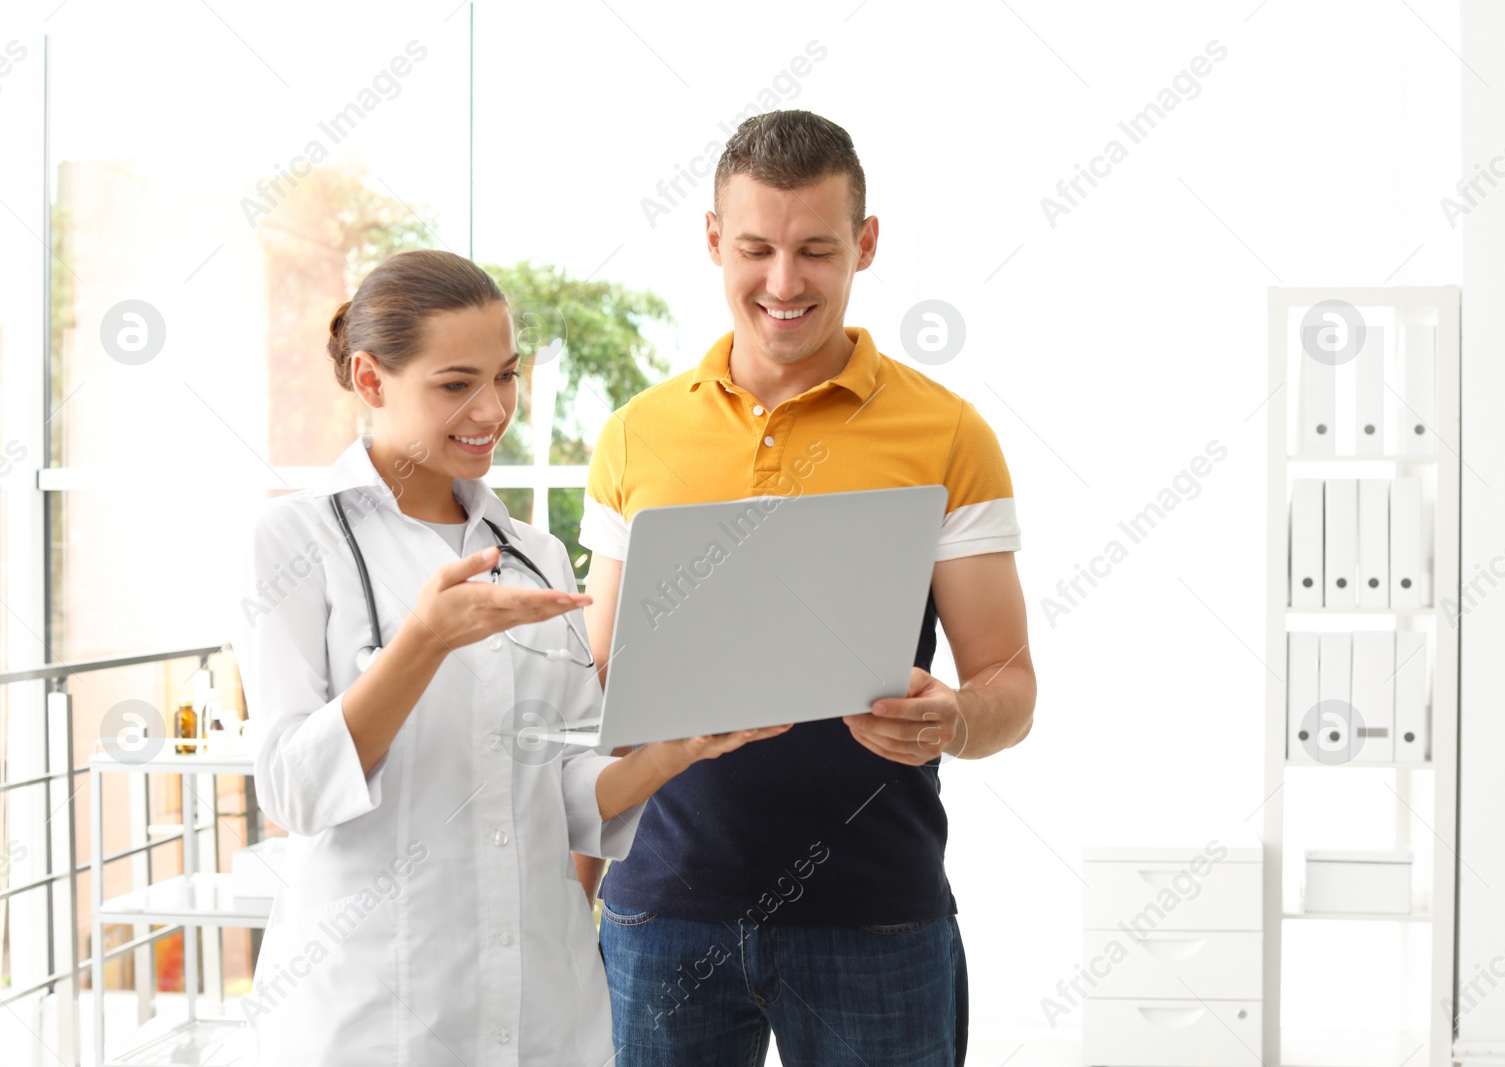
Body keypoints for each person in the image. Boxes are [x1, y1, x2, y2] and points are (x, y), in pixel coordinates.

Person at [229, 249, 789, 1066]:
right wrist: (422, 642)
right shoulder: (296, 540)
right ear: (371, 379)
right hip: (374, 1012)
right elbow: (294, 791)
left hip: (540, 1007)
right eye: (456, 384)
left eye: (507, 375)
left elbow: (568, 790)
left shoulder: (534, 554)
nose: (493, 409)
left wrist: (675, 751)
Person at [575, 111, 1038, 1066]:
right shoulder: (636, 436)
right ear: (713, 241)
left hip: (876, 914)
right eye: (755, 249)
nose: (784, 283)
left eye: (816, 250)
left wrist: (953, 718)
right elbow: (597, 682)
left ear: (865, 246)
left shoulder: (947, 435)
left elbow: (1009, 684)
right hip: (661, 911)